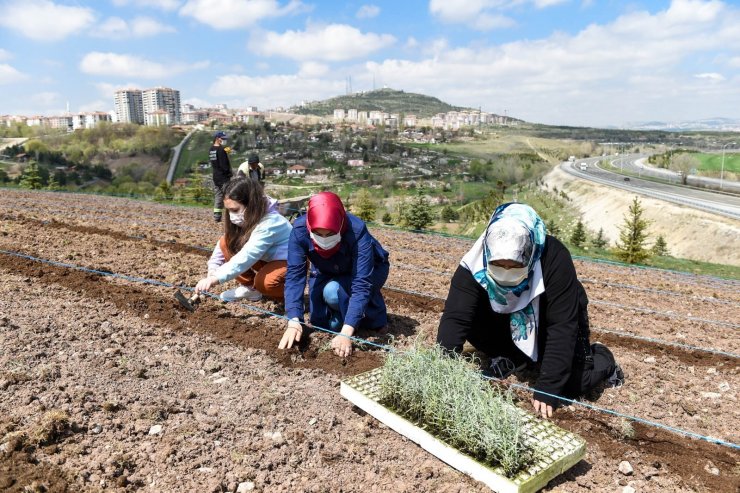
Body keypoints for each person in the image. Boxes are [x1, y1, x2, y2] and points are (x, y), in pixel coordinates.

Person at [436, 203, 623, 419]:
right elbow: (456, 317)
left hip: (546, 319)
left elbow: (562, 326)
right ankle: (515, 355)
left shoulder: (554, 258)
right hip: (504, 320)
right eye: (499, 266)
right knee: (473, 321)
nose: (506, 273)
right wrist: (440, 371)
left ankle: (603, 358)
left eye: (515, 266)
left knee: (573, 383)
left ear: (530, 254)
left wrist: (548, 388)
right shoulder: (475, 263)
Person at [279, 191, 390, 358]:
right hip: (326, 267)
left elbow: (361, 282)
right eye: (318, 234)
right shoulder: (300, 230)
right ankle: (347, 314)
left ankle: (371, 315)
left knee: (332, 293)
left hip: (369, 269)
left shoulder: (357, 231)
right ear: (310, 227)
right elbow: (295, 275)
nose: (324, 239)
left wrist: (346, 333)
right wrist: (293, 320)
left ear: (340, 225)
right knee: (319, 322)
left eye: (330, 234)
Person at [194, 178, 291, 302]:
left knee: (266, 283)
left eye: (235, 210)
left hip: (288, 263)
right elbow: (222, 246)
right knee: (227, 242)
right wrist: (212, 270)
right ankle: (251, 289)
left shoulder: (270, 223)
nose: (231, 215)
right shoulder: (247, 218)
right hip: (266, 259)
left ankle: (291, 299)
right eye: (228, 210)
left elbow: (248, 255)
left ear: (251, 205)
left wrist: (215, 278)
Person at [209, 131, 232, 222]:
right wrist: (229, 173)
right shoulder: (221, 150)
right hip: (224, 177)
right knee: (228, 196)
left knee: (218, 196)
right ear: (218, 139)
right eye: (223, 139)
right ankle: (230, 217)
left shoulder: (211, 149)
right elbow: (224, 165)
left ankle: (217, 216)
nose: (224, 140)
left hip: (215, 176)